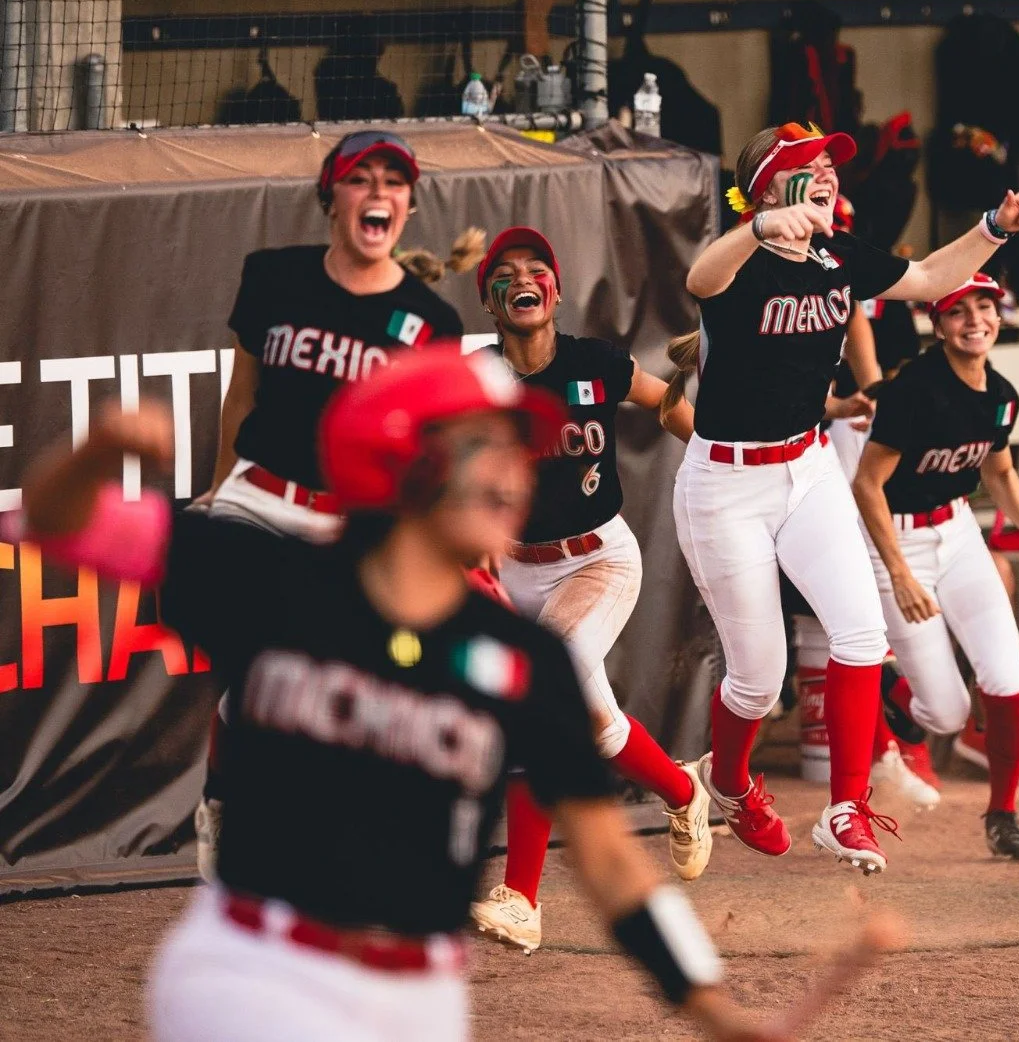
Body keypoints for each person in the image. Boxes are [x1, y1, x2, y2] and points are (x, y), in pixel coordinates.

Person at [11, 346, 859, 1041]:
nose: (515, 474)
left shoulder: (525, 659)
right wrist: (100, 452)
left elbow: (608, 859)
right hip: (257, 975)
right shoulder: (269, 576)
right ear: (405, 456)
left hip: (421, 1000)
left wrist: (710, 1004)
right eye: (486, 446)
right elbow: (57, 521)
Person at [663, 121, 1019, 874]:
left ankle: (845, 810)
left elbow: (929, 278)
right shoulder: (741, 256)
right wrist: (758, 227)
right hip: (726, 483)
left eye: (831, 165)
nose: (829, 174)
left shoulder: (837, 254)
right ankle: (729, 781)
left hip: (807, 469)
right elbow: (699, 281)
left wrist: (994, 228)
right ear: (768, 187)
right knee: (757, 678)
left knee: (862, 635)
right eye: (810, 166)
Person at [191, 130, 468, 881]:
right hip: (257, 498)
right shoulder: (273, 277)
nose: (378, 193)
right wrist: (219, 486)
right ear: (330, 196)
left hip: (347, 522)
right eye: (360, 178)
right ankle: (229, 804)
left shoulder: (432, 324)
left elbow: (429, 450)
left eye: (393, 181)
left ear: (409, 206)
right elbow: (242, 393)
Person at [465, 226, 710, 952]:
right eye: (505, 273)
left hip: (596, 560)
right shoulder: (476, 379)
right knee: (580, 719)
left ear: (557, 289)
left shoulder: (595, 363)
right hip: (511, 567)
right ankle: (682, 790)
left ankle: (521, 898)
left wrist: (718, 455)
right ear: (489, 301)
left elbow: (665, 400)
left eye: (535, 267)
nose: (522, 279)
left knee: (545, 688)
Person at [852, 273, 1019, 858]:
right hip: (899, 540)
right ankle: (893, 688)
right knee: (946, 715)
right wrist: (899, 574)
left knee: (1008, 678)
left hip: (958, 530)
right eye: (958, 311)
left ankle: (1003, 815)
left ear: (1000, 315)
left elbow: (999, 471)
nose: (975, 320)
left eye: (985, 306)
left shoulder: (1001, 393)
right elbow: (867, 484)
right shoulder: (914, 390)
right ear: (939, 324)